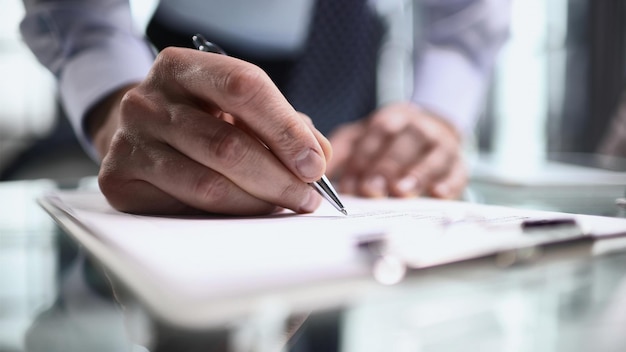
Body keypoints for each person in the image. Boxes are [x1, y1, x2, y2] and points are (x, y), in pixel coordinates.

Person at [20, 0, 510, 216]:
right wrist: (115, 107)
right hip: (188, 69)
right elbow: (76, 11)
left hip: (354, 57)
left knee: (323, 283)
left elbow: (461, 19)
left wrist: (437, 115)